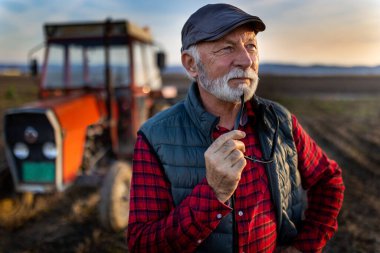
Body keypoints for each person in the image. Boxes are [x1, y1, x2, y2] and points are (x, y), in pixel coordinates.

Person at [127, 3, 344, 253]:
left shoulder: (279, 121)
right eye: (227, 48)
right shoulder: (155, 138)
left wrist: (306, 246)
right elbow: (142, 244)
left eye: (251, 45)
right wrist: (213, 193)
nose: (246, 59)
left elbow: (328, 180)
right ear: (191, 64)